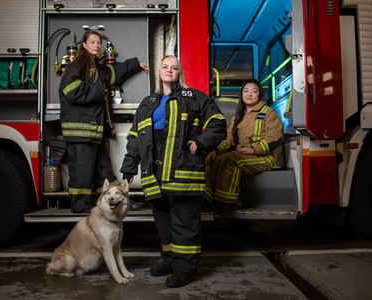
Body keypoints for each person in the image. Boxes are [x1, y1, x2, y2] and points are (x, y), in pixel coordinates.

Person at [120, 55, 226, 287]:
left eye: (174, 67)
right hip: (154, 177)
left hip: (183, 174)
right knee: (164, 224)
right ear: (159, 72)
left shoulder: (195, 97)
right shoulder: (148, 102)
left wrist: (200, 142)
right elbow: (135, 137)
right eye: (165, 66)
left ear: (180, 72)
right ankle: (169, 260)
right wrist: (129, 166)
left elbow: (218, 123)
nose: (169, 70)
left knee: (185, 226)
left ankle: (185, 270)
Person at [59, 31, 149, 213]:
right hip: (81, 132)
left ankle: (118, 201)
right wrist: (100, 94)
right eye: (92, 42)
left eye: (99, 43)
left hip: (93, 131)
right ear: (83, 45)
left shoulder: (96, 68)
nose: (96, 45)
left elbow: (113, 71)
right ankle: (81, 207)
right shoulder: (78, 64)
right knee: (82, 174)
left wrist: (135, 64)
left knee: (103, 170)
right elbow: (70, 90)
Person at [205, 78, 284, 211]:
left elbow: (275, 138)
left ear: (260, 94)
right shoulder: (238, 117)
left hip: (264, 157)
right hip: (242, 155)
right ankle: (207, 200)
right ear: (242, 94)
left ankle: (226, 201)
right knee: (214, 161)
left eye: (254, 91)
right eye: (246, 91)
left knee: (232, 159)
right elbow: (229, 138)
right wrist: (216, 151)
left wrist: (253, 150)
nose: (249, 94)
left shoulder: (270, 114)